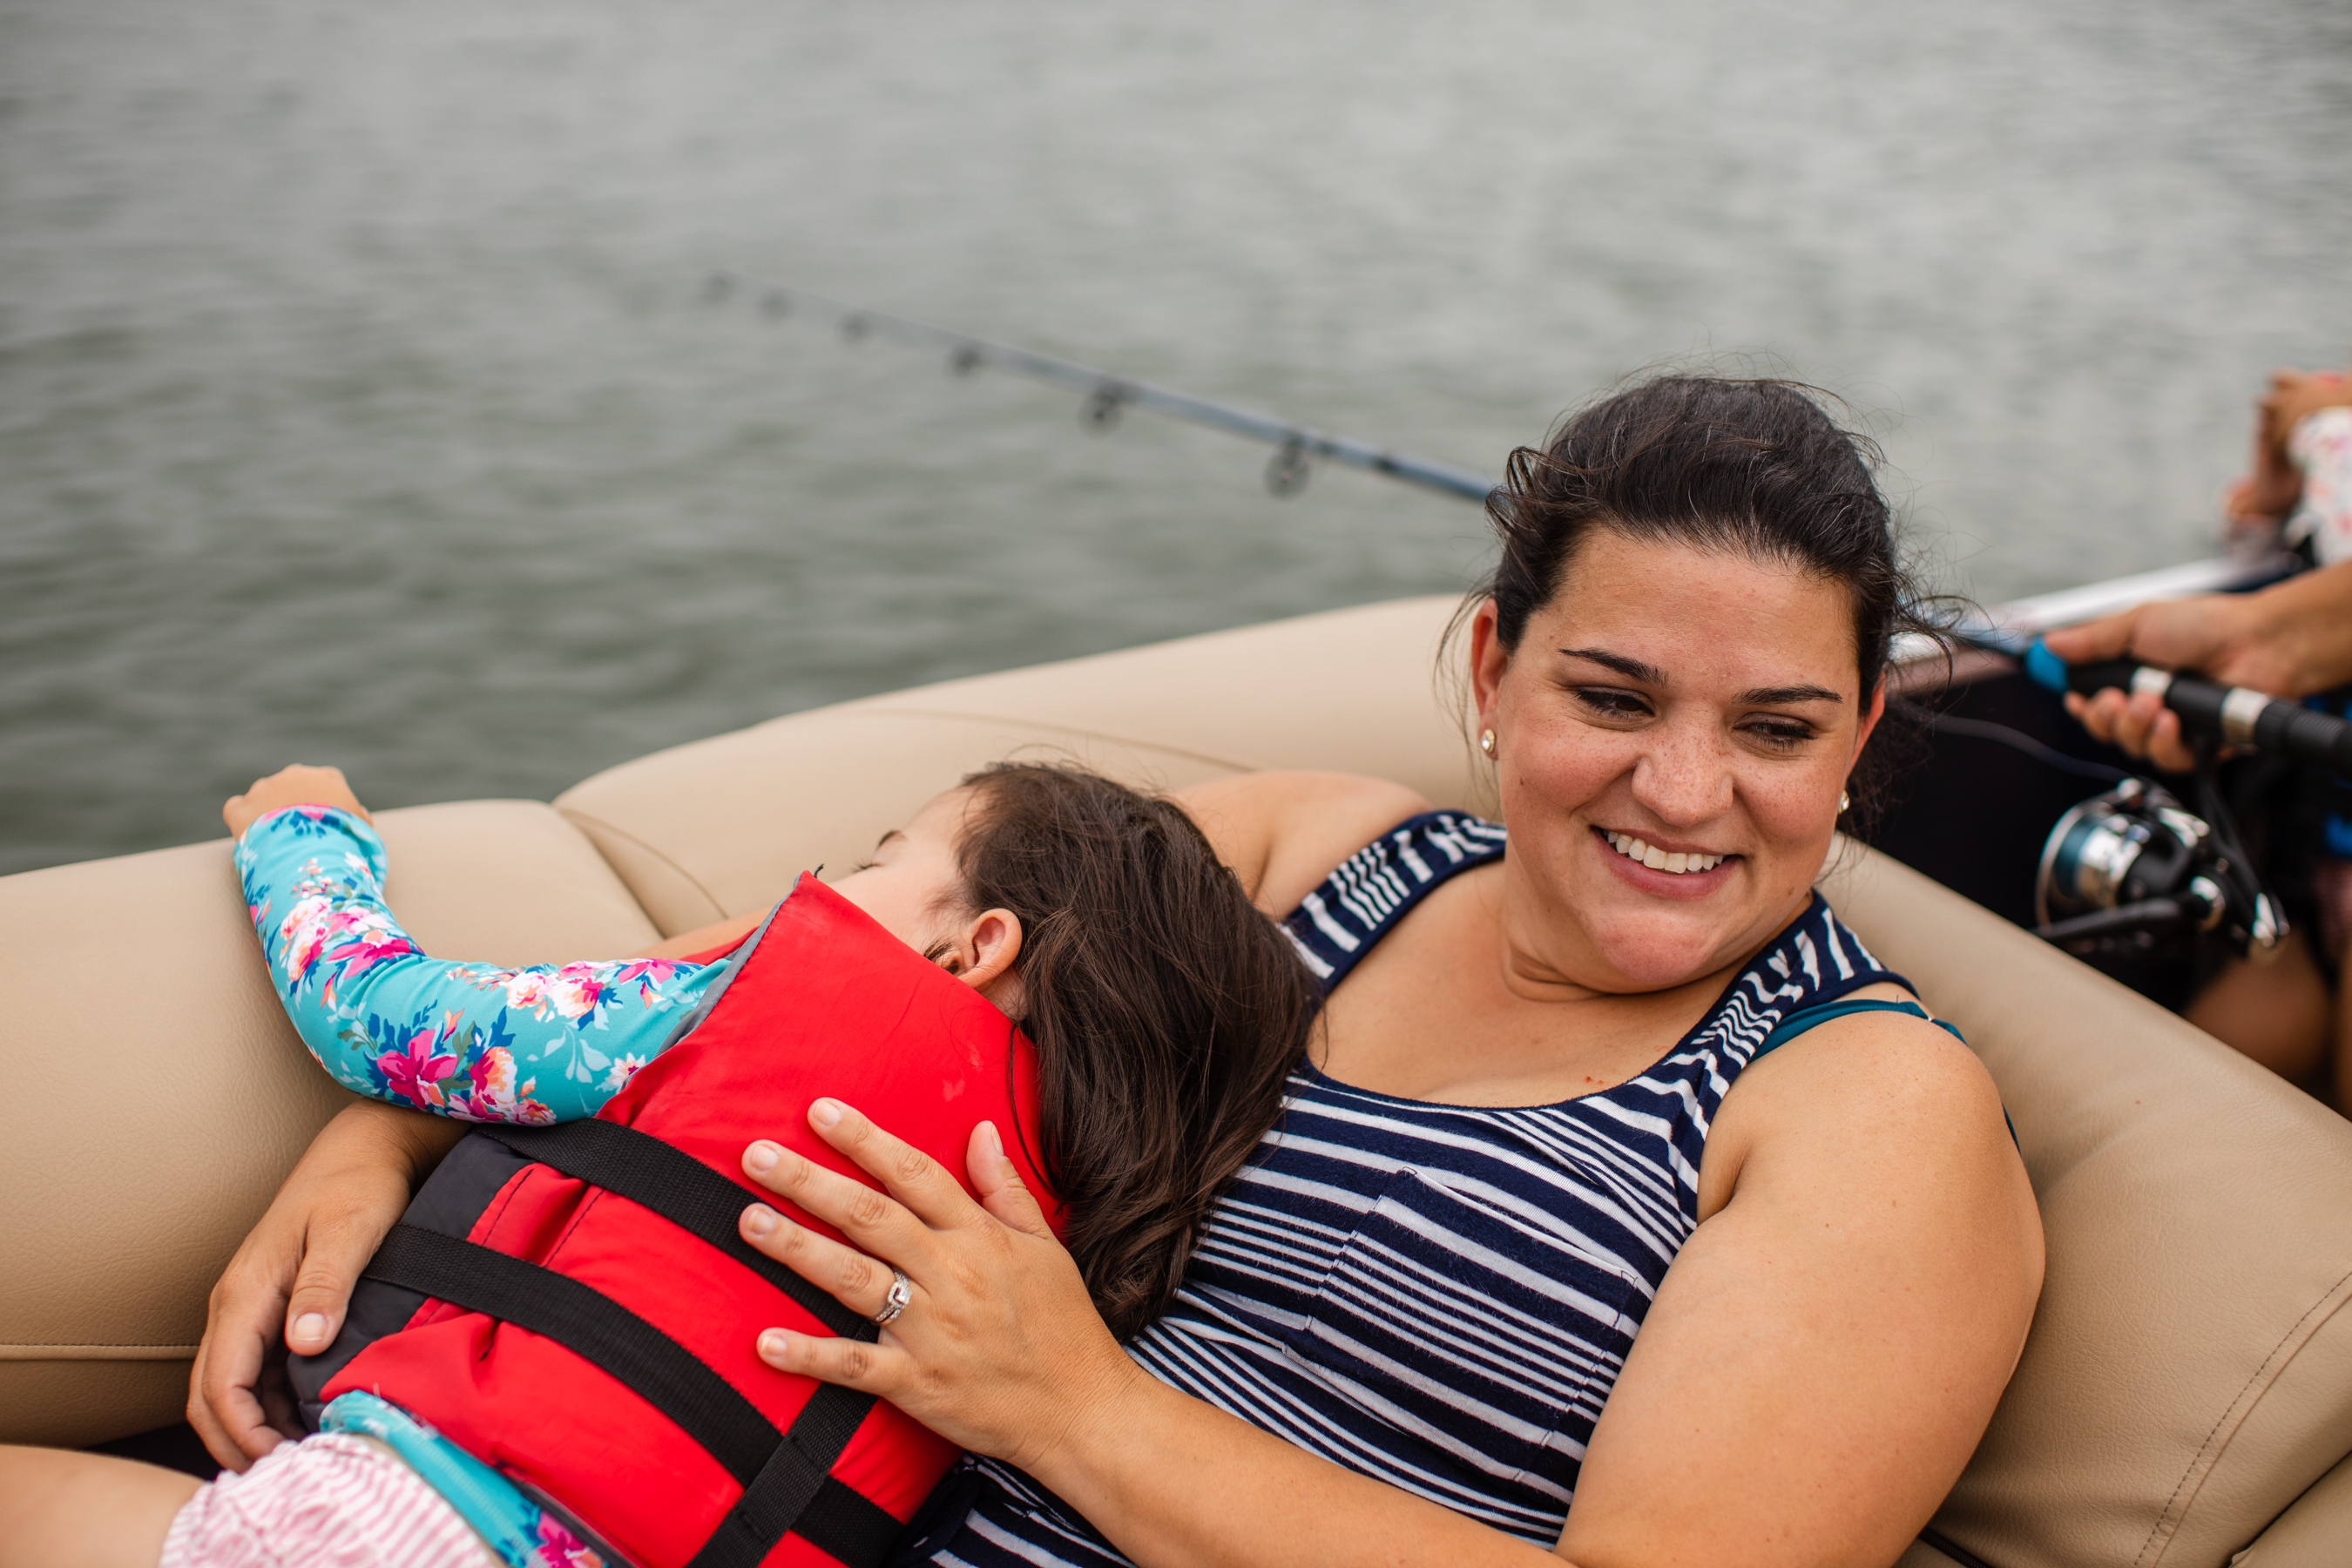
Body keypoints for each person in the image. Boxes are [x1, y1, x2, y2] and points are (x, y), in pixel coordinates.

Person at [181, 375, 2044, 1568]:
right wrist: (374, 1146)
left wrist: (1074, 1407)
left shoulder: (1873, 1113)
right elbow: (767, 1000)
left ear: (1866, 729)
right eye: (1611, 698)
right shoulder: (1312, 858)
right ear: (1492, 672)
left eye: (1778, 728)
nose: (1685, 792)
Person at [0, 760, 1316, 1568]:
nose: (815, 886)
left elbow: (379, 1015)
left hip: (408, 1535)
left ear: (973, 948)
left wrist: (299, 835)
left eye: (877, 863)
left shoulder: (741, 1013)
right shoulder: (1058, 1227)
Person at [2045, 362, 2352, 1106]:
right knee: (2150, 1120)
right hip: (2296, 886)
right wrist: (2279, 488)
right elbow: (2280, 430)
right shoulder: (2331, 430)